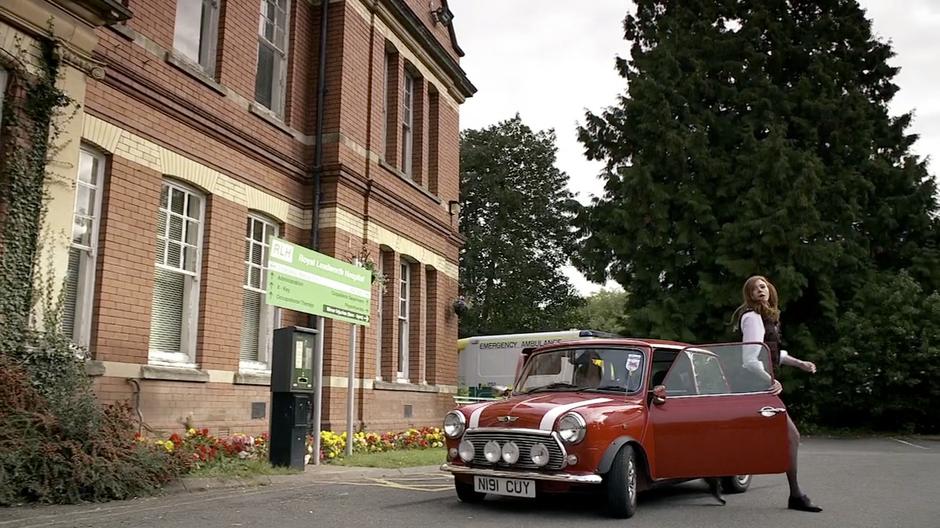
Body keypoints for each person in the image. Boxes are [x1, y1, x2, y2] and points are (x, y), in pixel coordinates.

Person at [729, 275, 823, 512]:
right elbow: (750, 360)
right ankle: (796, 495)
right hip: (753, 385)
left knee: (772, 436)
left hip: (759, 384)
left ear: (769, 290)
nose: (759, 291)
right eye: (754, 289)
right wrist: (771, 379)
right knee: (790, 436)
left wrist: (800, 363)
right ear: (749, 296)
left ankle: (795, 494)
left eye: (762, 287)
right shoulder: (751, 318)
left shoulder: (767, 318)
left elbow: (771, 353)